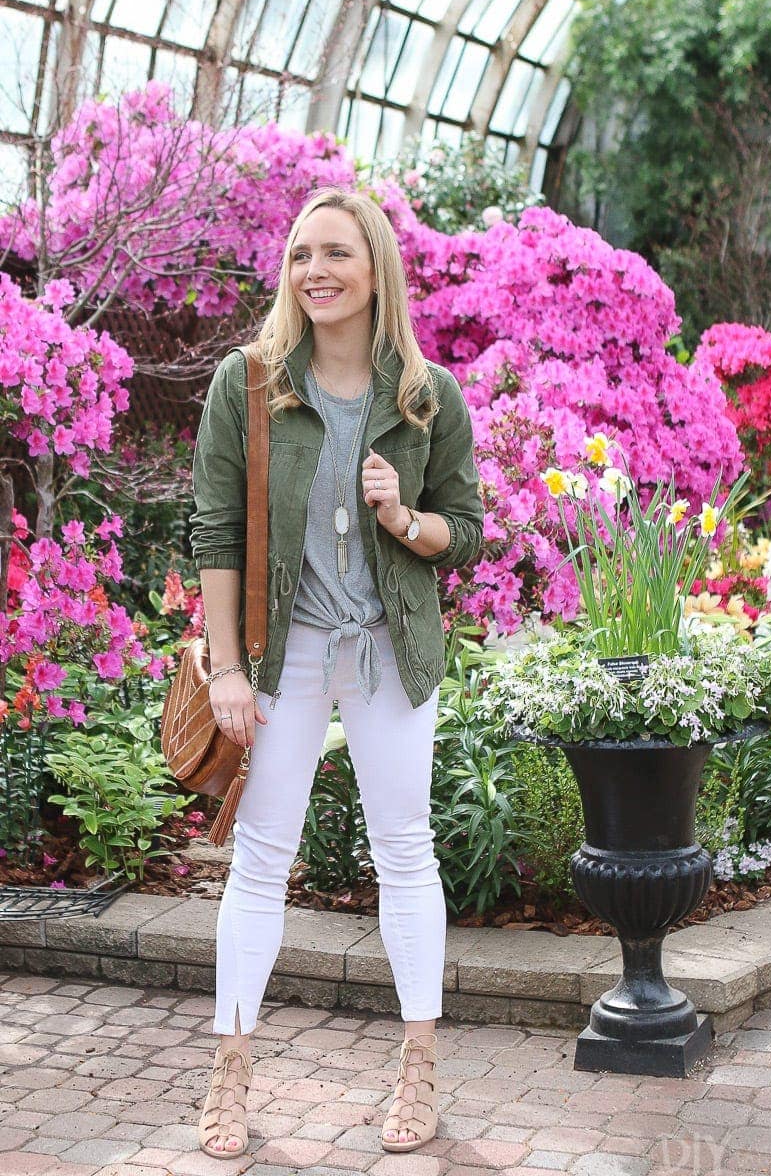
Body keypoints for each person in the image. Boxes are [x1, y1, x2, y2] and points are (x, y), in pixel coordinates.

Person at [188, 185, 483, 1158]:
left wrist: (402, 517)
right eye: (299, 254)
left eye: (336, 254)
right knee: (259, 860)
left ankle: (417, 1064)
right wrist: (228, 669)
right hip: (288, 655)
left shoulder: (425, 394)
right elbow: (217, 533)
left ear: (375, 270)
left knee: (404, 851)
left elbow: (463, 533)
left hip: (389, 650)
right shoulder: (252, 382)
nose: (314, 270)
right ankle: (229, 1071)